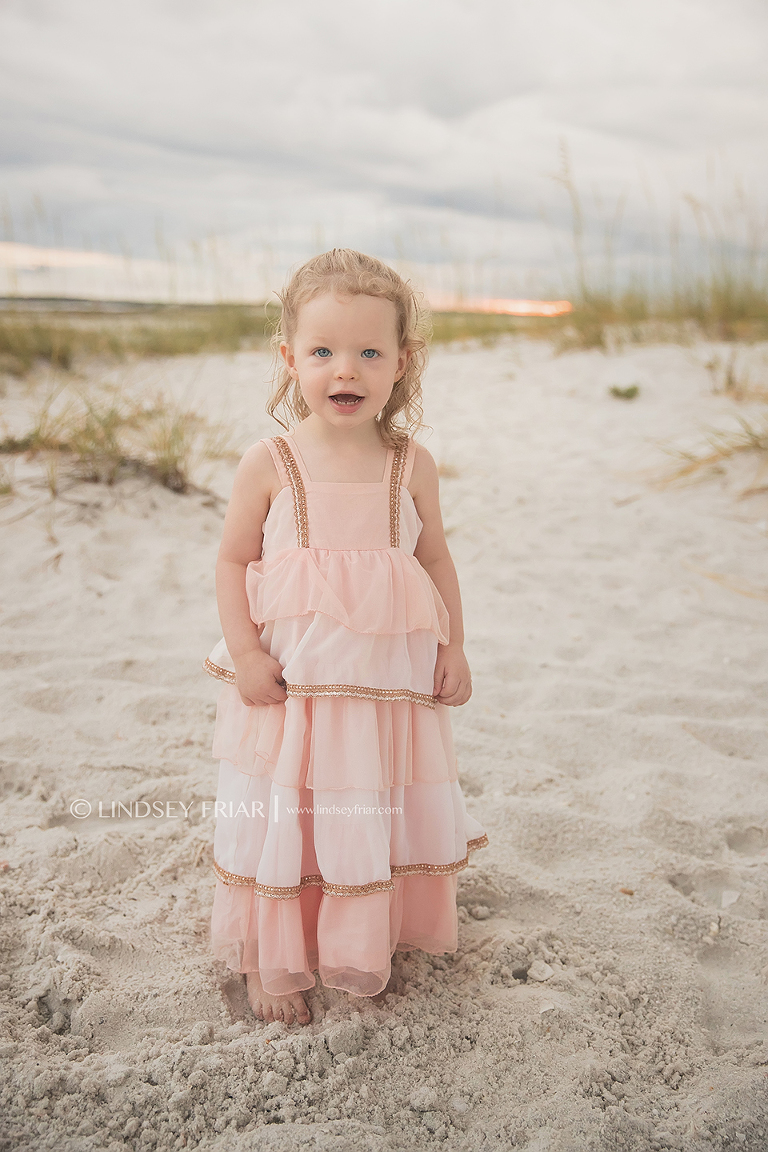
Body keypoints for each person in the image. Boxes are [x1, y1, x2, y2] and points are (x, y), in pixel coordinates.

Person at [203, 248, 488, 1026]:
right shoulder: (271, 463)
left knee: (368, 807)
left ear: (403, 361)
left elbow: (434, 558)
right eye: (323, 351)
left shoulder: (409, 464)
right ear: (289, 357)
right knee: (289, 814)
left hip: (382, 688)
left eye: (369, 351)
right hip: (293, 688)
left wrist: (454, 646)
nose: (346, 370)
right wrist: (249, 654)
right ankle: (274, 957)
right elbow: (233, 561)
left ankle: (364, 930)